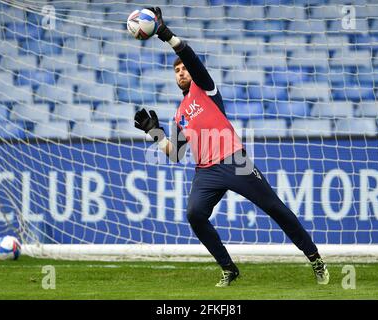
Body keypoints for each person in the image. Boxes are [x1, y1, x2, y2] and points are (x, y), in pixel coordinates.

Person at [133, 7, 329, 287]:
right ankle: (229, 268)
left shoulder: (206, 89)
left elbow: (190, 55)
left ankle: (314, 257)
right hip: (205, 170)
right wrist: (154, 132)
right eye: (176, 70)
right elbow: (175, 153)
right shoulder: (180, 113)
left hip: (233, 160)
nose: (181, 72)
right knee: (194, 214)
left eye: (183, 68)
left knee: (274, 207)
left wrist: (165, 34)